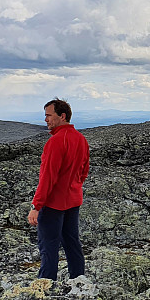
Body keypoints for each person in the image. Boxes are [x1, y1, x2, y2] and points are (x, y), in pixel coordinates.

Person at [27, 98, 90, 280]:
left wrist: (36, 206)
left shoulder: (55, 142)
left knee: (49, 246)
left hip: (54, 204)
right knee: (72, 243)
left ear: (62, 116)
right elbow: (84, 171)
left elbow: (48, 178)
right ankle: (78, 282)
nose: (46, 120)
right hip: (73, 200)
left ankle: (46, 287)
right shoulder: (81, 139)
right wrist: (75, 187)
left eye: (49, 115)